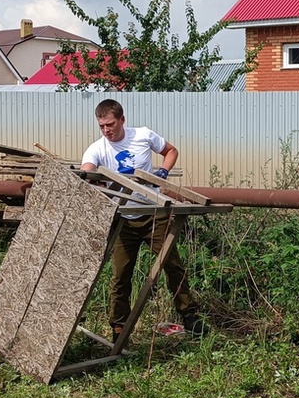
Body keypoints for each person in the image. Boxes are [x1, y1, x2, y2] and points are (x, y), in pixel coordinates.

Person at [81, 99, 208, 339]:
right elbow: (86, 170)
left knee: (172, 265)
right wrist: (91, 177)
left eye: (110, 124)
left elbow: (171, 150)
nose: (107, 130)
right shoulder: (98, 148)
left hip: (154, 214)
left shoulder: (142, 135)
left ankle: (190, 316)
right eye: (101, 126)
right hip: (123, 219)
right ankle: (119, 328)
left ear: (122, 120)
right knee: (121, 276)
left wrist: (163, 171)